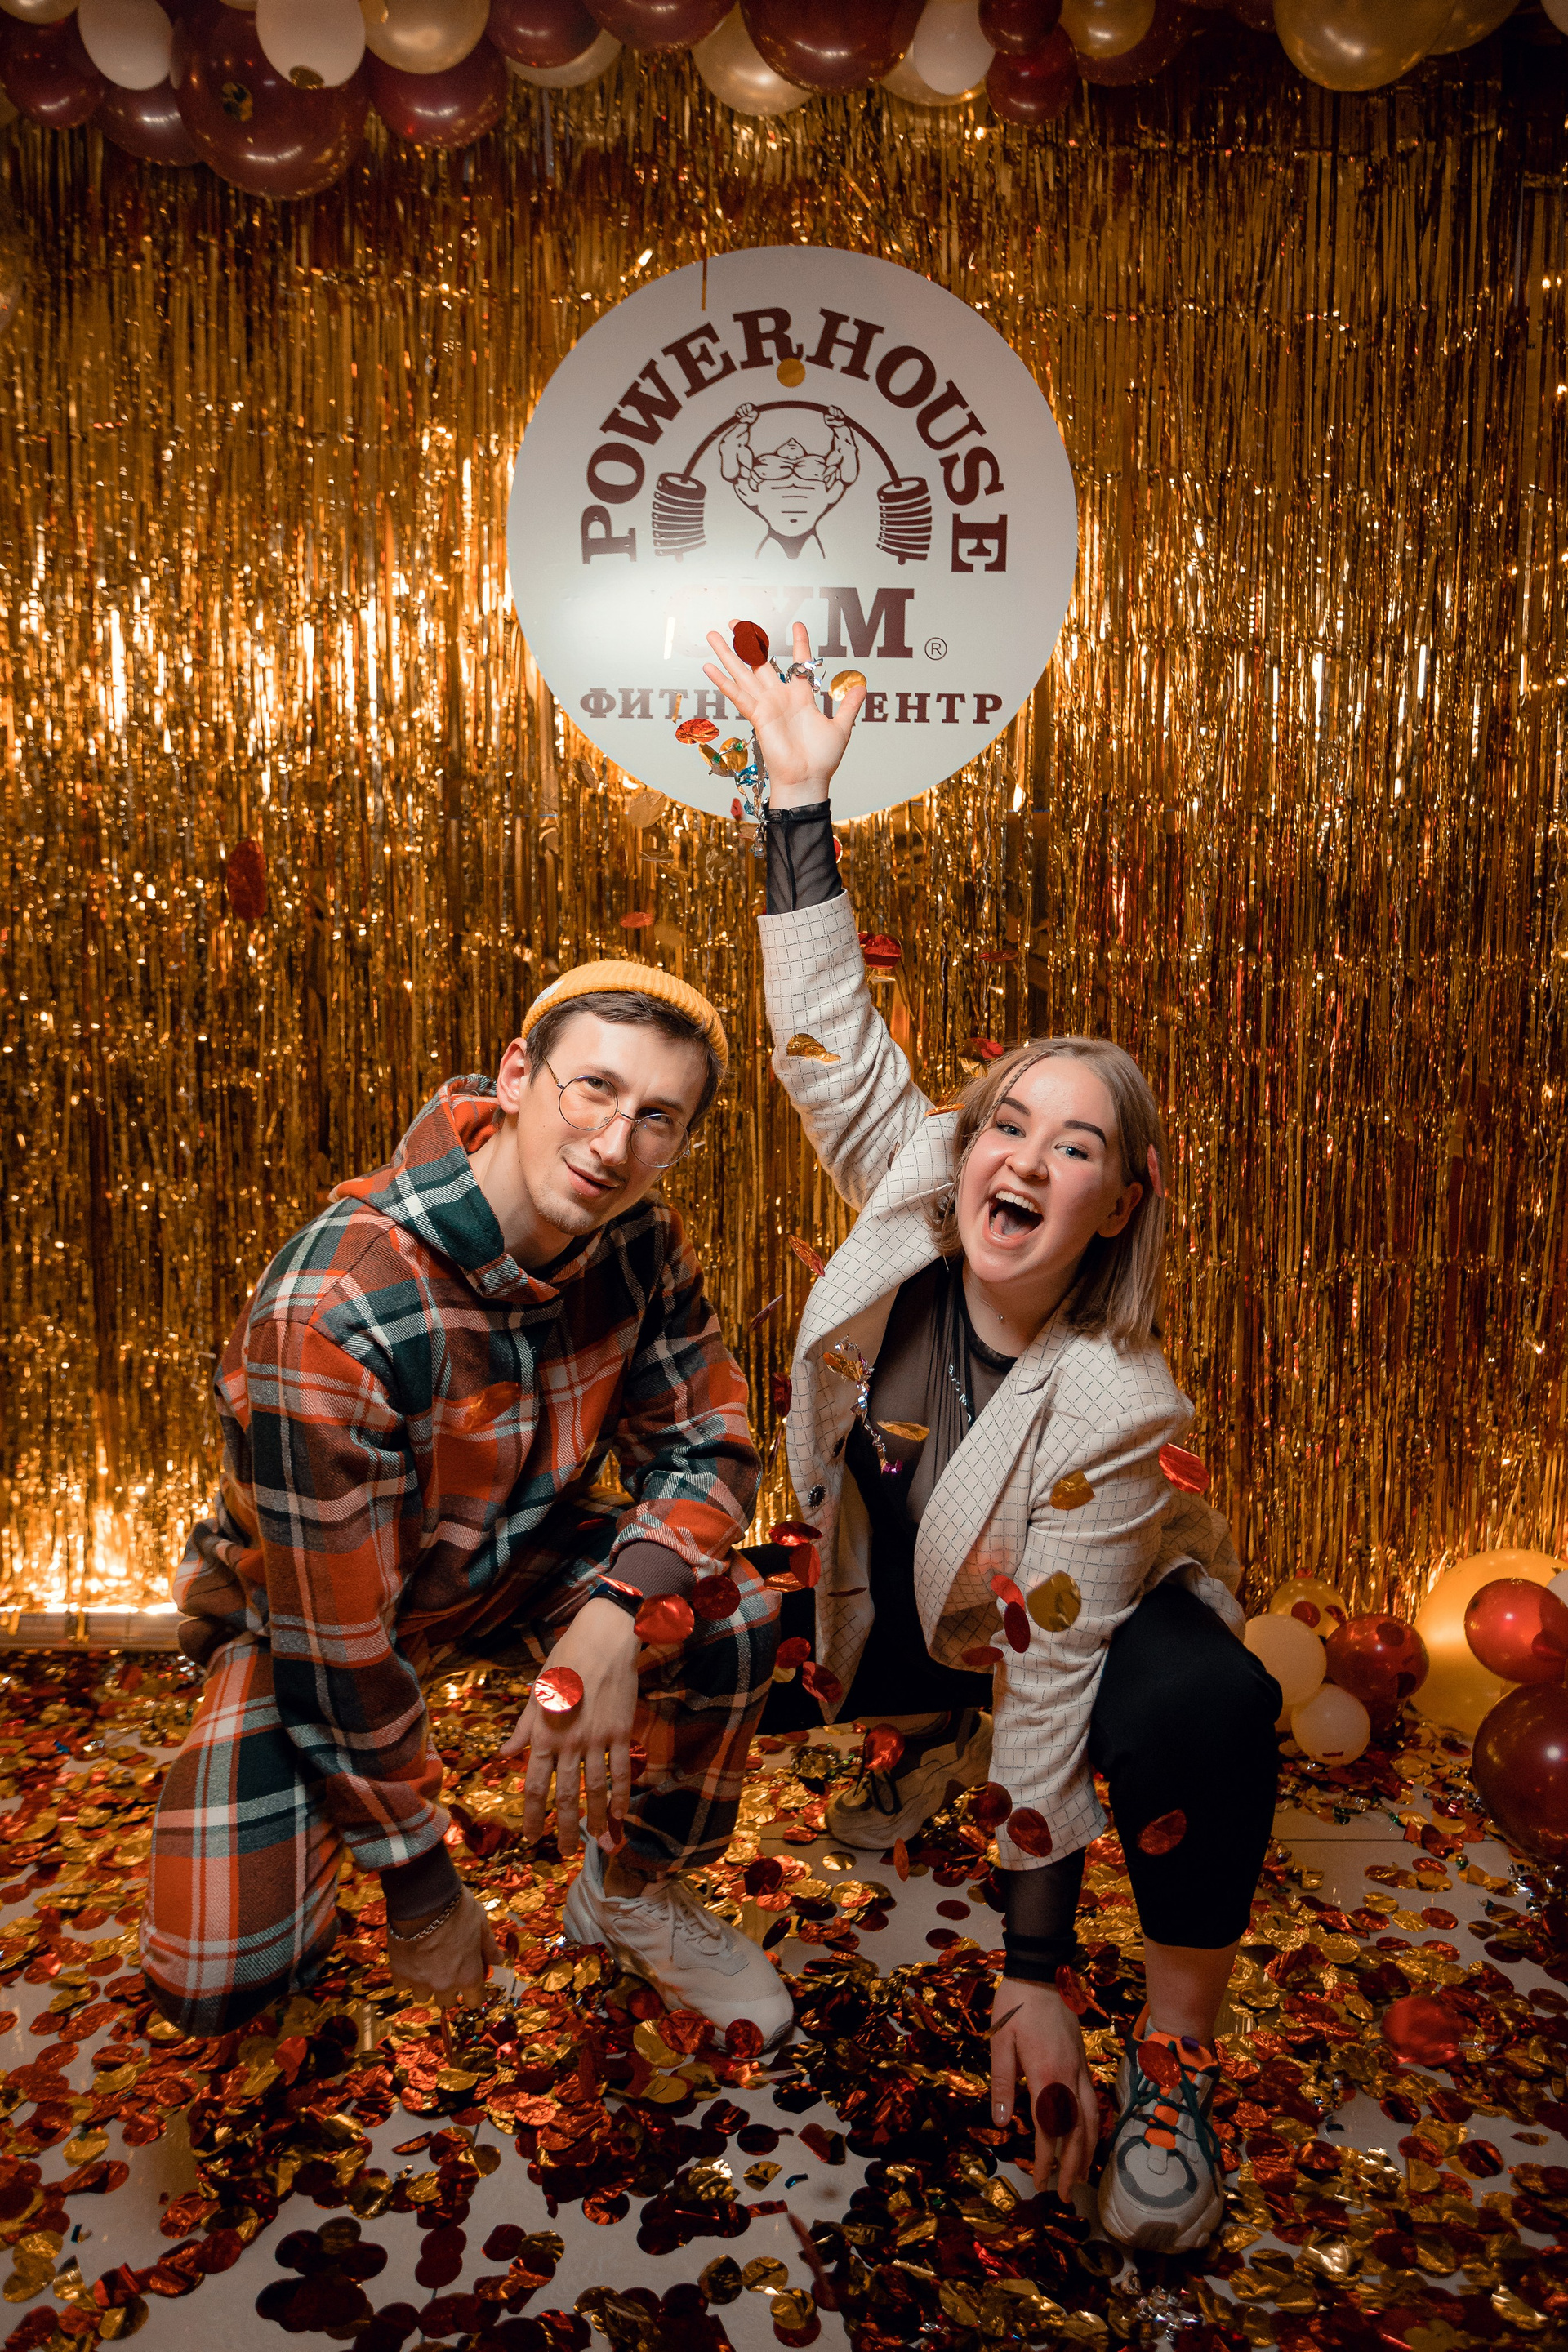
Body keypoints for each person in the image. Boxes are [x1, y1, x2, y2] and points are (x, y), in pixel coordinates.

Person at [703, 622, 1283, 2255]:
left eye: (1075, 1145)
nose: (1023, 1157)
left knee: (1201, 1703)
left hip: (1069, 1622)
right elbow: (827, 1033)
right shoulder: (915, 1188)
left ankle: (1176, 2063)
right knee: (678, 1616)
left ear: (1118, 1204)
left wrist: (1036, 1976)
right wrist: (797, 805)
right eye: (1006, 1121)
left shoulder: (1118, 1400)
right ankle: (895, 1739)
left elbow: (1053, 1663)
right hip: (895, 1598)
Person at [142, 961, 790, 2050]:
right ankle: (307, 1868)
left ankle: (629, 1892)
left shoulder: (641, 1244)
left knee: (732, 1613)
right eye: (593, 1089)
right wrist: (422, 1890)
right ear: (518, 1076)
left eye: (657, 1118)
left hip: (518, 1564)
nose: (613, 1143)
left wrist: (617, 1609)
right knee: (213, 1974)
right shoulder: (335, 1305)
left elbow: (710, 1446)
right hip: (314, 1616)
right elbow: (337, 1643)